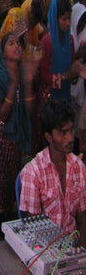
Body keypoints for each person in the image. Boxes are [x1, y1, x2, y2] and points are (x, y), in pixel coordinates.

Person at [20, 99, 86, 247]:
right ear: (49, 137)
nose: (70, 138)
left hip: (72, 247)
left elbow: (82, 216)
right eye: (63, 133)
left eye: (71, 131)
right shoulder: (34, 172)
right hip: (46, 250)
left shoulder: (79, 167)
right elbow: (34, 227)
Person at [0, 34, 40, 216]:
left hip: (18, 139)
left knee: (14, 185)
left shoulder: (22, 72)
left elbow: (30, 110)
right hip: (2, 141)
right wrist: (13, 86)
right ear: (3, 51)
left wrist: (27, 83)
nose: (17, 46)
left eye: (18, 43)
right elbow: (2, 114)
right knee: (1, 189)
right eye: (11, 43)